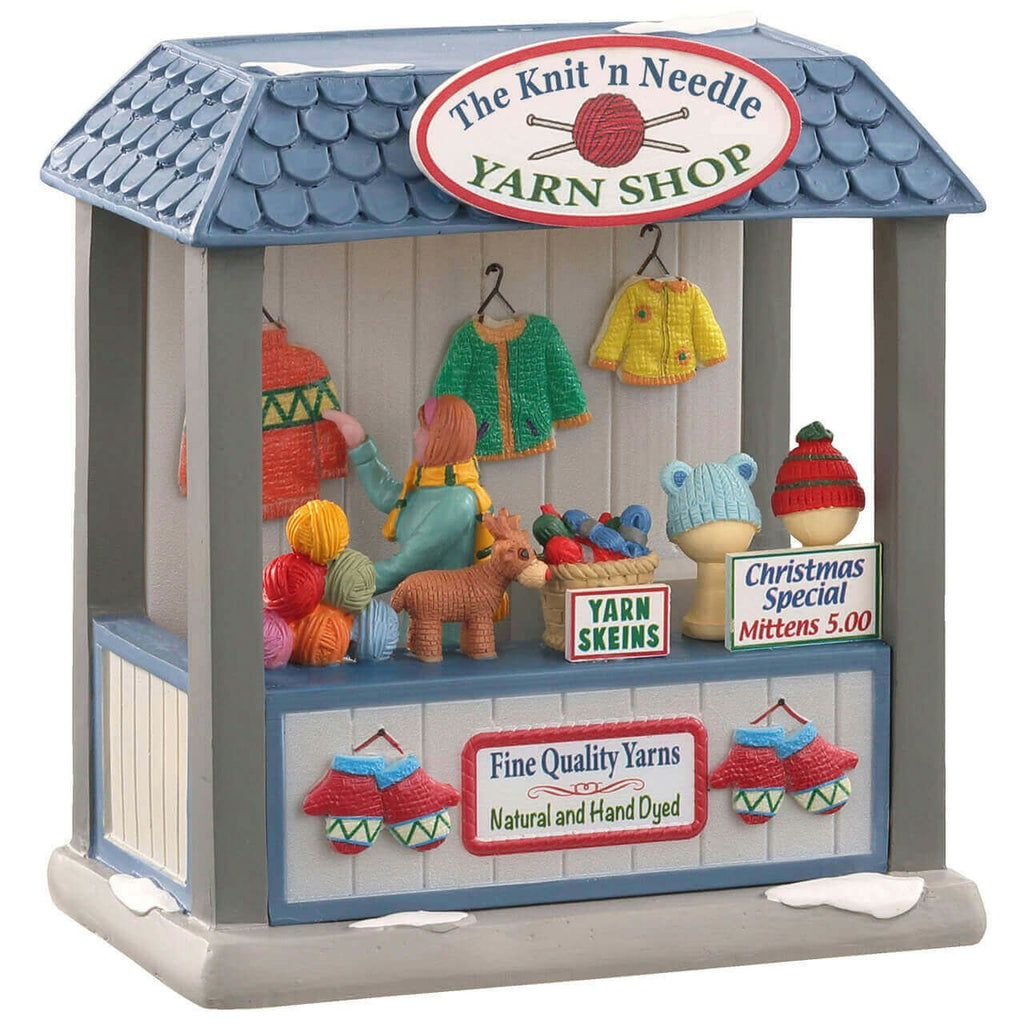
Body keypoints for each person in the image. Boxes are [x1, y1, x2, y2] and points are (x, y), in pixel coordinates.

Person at [323, 396, 495, 595]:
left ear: (440, 439)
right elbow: (386, 494)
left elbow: (406, 565)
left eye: (423, 429)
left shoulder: (458, 502)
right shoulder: (428, 487)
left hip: (444, 610)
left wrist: (338, 586)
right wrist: (359, 444)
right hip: (417, 603)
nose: (415, 435)